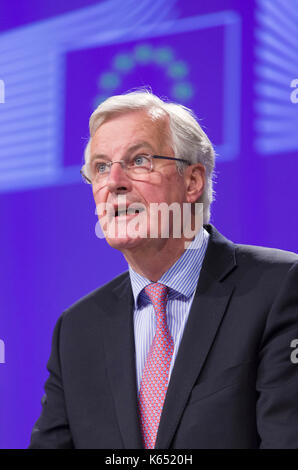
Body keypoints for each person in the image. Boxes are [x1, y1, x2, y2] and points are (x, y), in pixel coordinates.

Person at [29, 90, 298, 449]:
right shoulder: (77, 329)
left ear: (192, 182)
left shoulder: (278, 288)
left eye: (139, 160)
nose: (115, 182)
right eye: (101, 167)